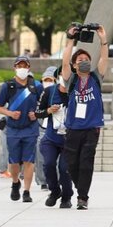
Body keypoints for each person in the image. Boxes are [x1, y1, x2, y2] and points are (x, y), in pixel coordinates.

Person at [61, 23, 109, 210]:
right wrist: (71, 39)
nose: (83, 61)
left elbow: (104, 58)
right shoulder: (71, 78)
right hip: (73, 127)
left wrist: (102, 39)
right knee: (72, 164)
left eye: (86, 58)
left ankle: (82, 197)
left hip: (91, 127)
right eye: (79, 59)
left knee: (86, 163)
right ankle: (79, 187)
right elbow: (64, 63)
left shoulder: (96, 77)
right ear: (74, 64)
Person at [0, 55, 42, 203]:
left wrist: (36, 114)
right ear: (14, 68)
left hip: (30, 128)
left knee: (29, 161)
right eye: (19, 66)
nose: (22, 68)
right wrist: (9, 113)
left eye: (24, 66)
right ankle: (15, 182)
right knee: (14, 162)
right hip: (13, 129)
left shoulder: (36, 86)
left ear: (28, 68)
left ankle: (27, 191)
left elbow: (44, 105)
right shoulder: (8, 86)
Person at [35, 66, 73, 208]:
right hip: (51, 138)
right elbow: (37, 112)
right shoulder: (49, 92)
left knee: (64, 169)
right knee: (49, 164)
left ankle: (67, 197)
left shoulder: (75, 93)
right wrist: (49, 110)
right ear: (57, 77)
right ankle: (55, 191)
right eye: (63, 75)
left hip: (68, 140)